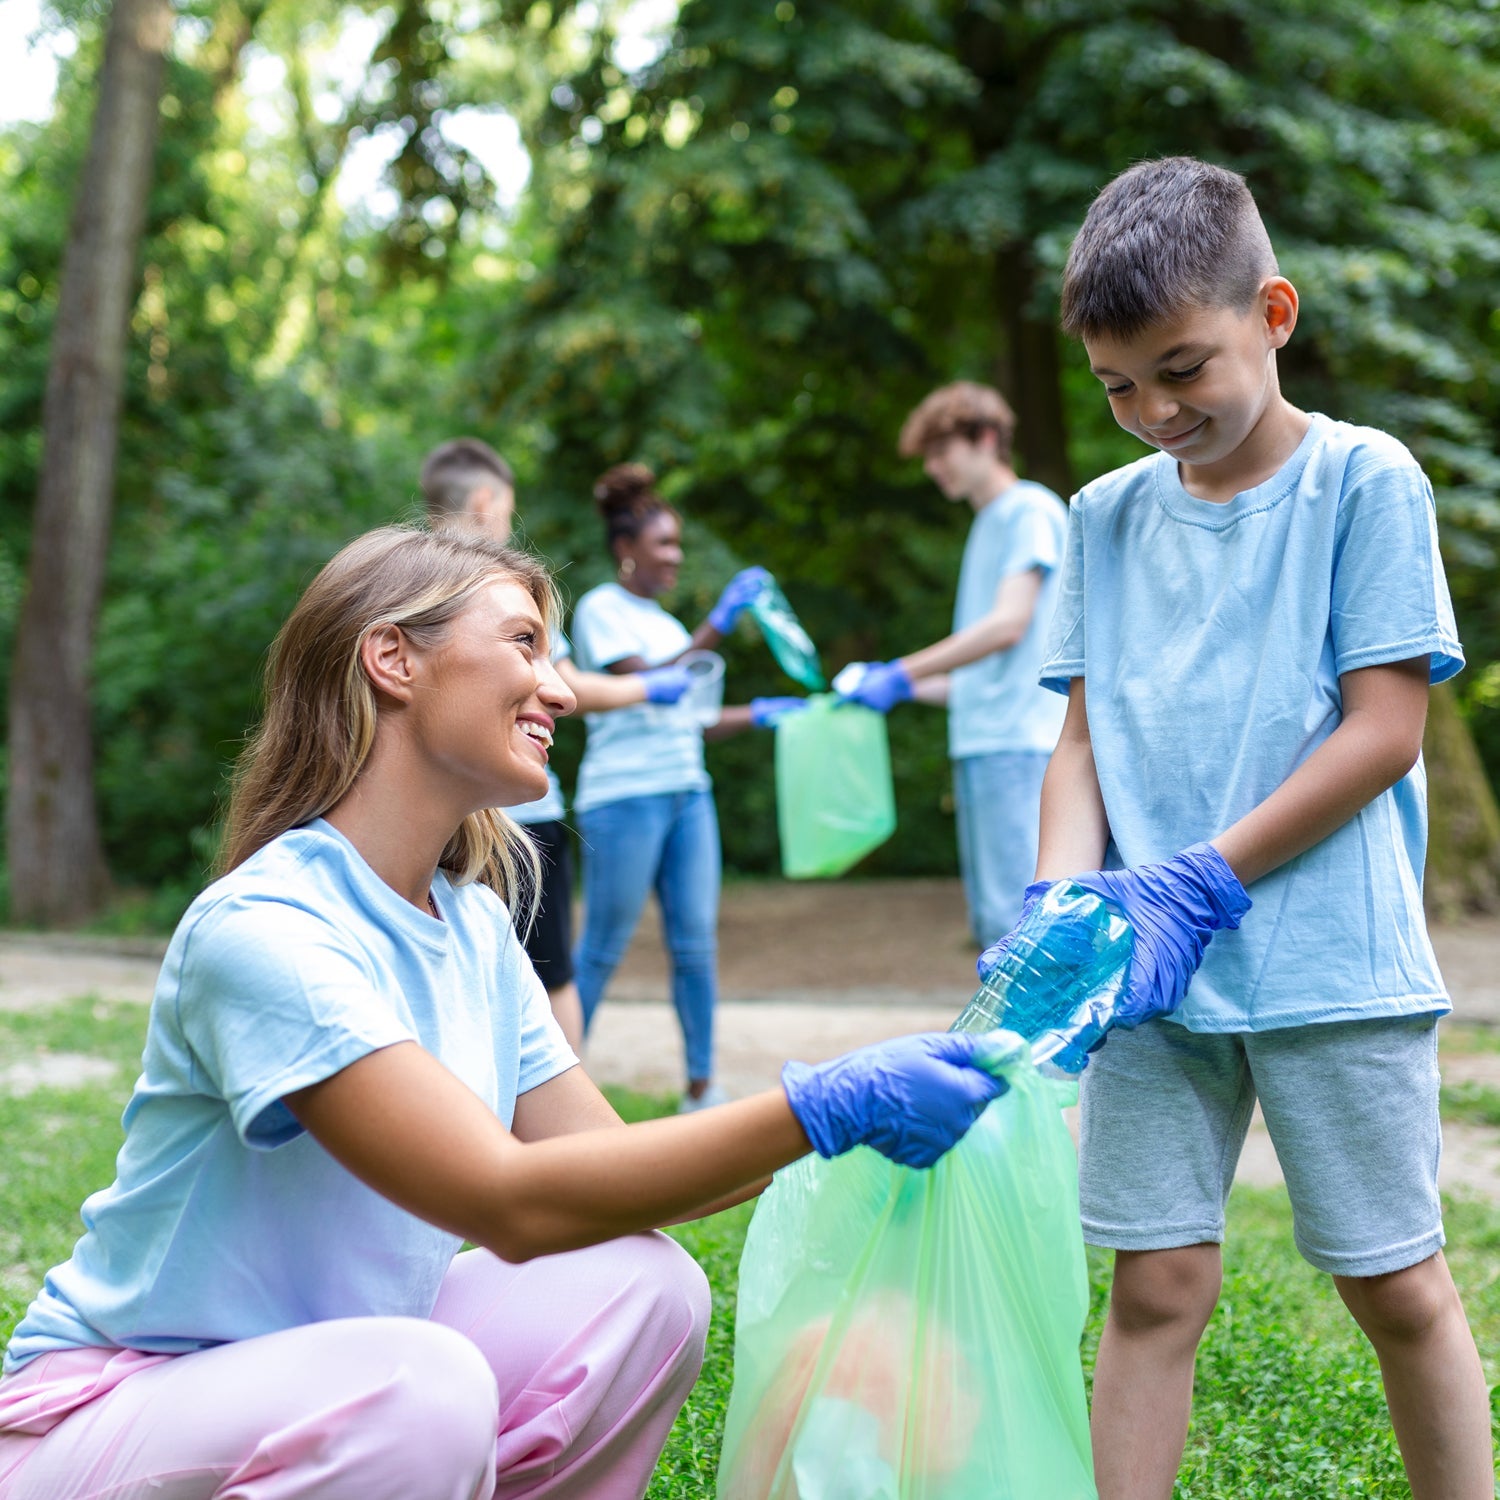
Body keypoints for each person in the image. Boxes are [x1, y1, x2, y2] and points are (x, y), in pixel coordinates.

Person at [0, 525, 1007, 1500]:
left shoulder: (476, 928)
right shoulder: (268, 928)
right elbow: (509, 1201)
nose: (562, 689)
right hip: (114, 1411)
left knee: (644, 1289)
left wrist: (877, 1107)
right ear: (392, 659)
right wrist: (815, 1108)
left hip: (342, 1382)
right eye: (525, 644)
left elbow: (609, 1174)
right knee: (418, 1392)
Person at [986, 156, 1491, 1498]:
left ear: (1273, 313)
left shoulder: (1363, 483)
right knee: (1154, 1283)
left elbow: (1384, 729)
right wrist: (1057, 898)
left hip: (1330, 964)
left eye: (1180, 367)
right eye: (1116, 386)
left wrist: (1200, 879)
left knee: (1395, 1287)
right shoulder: (1100, 518)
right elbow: (1080, 739)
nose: (1153, 411)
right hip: (1150, 985)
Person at [419, 438, 692, 1051]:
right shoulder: (505, 588)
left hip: (434, 816)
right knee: (551, 976)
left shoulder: (402, 584)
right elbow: (567, 688)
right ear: (488, 500)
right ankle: (560, 1117)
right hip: (523, 820)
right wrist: (649, 689)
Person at [569, 463, 800, 1112]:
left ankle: (701, 1088)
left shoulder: (672, 628)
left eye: (677, 544)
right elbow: (646, 682)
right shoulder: (600, 610)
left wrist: (763, 713)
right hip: (624, 798)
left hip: (687, 792)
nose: (675, 557)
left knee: (696, 942)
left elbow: (692, 717)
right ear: (625, 550)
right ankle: (551, 1084)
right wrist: (720, 624)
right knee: (602, 947)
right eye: (663, 544)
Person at [836, 383, 1068, 947]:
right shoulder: (989, 522)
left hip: (1021, 743)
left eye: (941, 452)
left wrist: (900, 670)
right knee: (995, 921)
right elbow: (985, 677)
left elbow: (1007, 624)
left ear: (986, 439)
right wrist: (899, 688)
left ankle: (1032, 1040)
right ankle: (1010, 1039)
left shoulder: (1028, 509)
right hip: (986, 742)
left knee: (1024, 926)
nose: (932, 468)